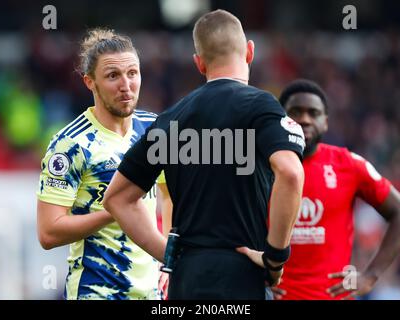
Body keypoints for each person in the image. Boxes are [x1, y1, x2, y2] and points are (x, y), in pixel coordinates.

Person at [103, 9, 305, 299]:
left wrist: (169, 255)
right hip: (243, 277)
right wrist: (276, 256)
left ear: (199, 64)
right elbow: (291, 172)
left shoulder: (171, 119)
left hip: (187, 282)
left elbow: (117, 198)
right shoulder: (260, 106)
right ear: (249, 51)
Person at [36, 28, 170, 300]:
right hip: (96, 291)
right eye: (113, 76)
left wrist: (167, 259)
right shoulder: (70, 144)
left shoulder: (154, 130)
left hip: (151, 293)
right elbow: (48, 232)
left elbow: (169, 196)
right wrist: (117, 208)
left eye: (133, 73)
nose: (126, 84)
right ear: (90, 82)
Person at [256, 79, 400, 300]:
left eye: (313, 113)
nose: (304, 119)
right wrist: (251, 276)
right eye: (295, 112)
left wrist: (370, 275)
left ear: (326, 122)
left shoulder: (348, 164)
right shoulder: (258, 165)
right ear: (282, 120)